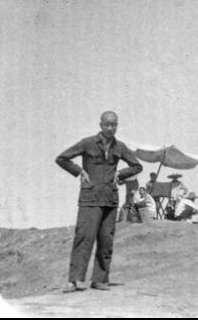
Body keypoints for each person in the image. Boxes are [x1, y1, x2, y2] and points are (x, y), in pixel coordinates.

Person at [56, 111, 143, 293]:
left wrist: (120, 173)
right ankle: (75, 280)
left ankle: (100, 279)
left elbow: (137, 166)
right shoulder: (87, 143)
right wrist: (79, 171)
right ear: (100, 125)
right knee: (83, 238)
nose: (110, 128)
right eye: (107, 124)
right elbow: (62, 158)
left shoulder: (120, 146)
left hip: (110, 200)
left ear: (117, 125)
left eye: (114, 125)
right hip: (89, 198)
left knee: (106, 240)